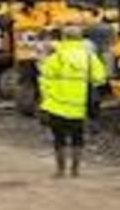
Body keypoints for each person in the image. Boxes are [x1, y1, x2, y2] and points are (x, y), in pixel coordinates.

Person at [38, 24, 107, 177]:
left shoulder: (56, 57)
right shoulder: (89, 57)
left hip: (56, 105)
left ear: (63, 38)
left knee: (59, 139)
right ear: (81, 38)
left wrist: (47, 98)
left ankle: (60, 170)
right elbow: (100, 78)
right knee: (78, 138)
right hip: (79, 106)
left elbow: (44, 79)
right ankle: (75, 170)